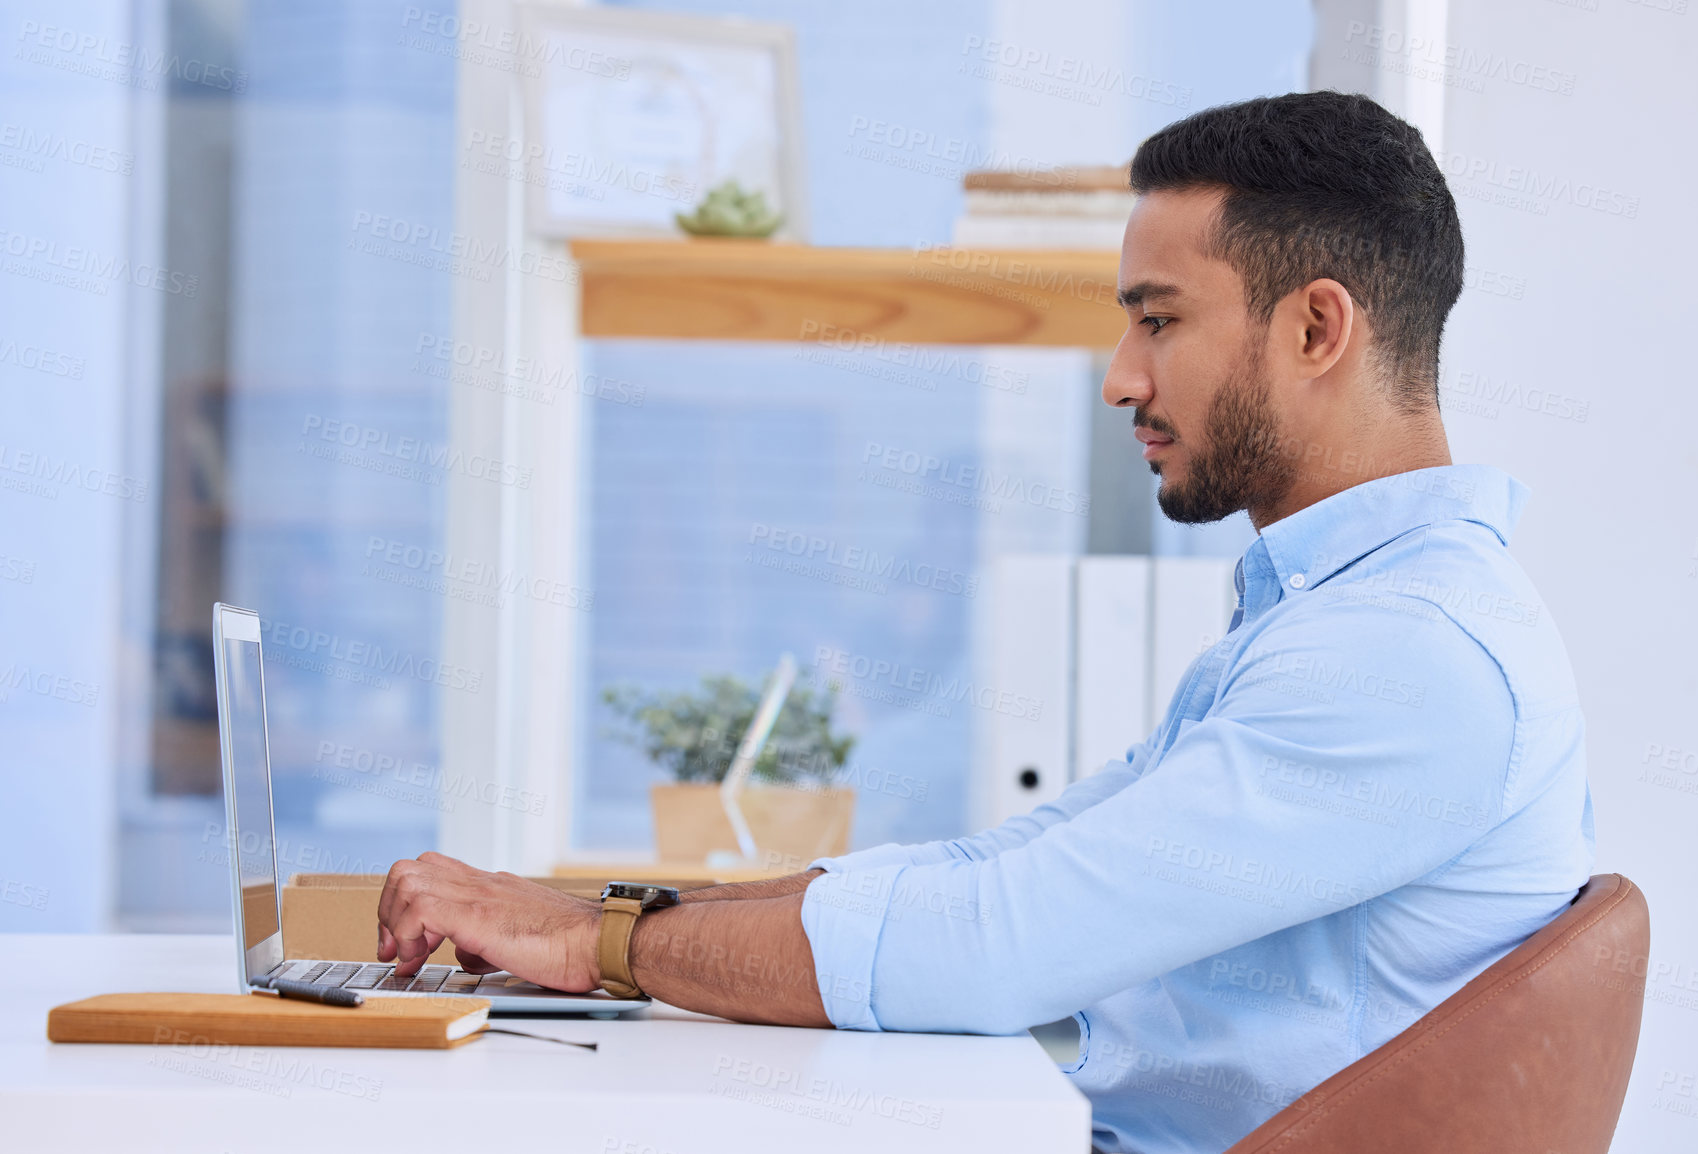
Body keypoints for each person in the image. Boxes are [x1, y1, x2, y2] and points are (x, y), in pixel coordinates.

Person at [375, 91, 1592, 1154]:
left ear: (1316, 329)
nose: (1119, 375)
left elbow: (997, 940)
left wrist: (597, 943)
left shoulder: (1413, 655)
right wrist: (584, 911)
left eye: (1158, 319)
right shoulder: (1340, 617)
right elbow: (999, 869)